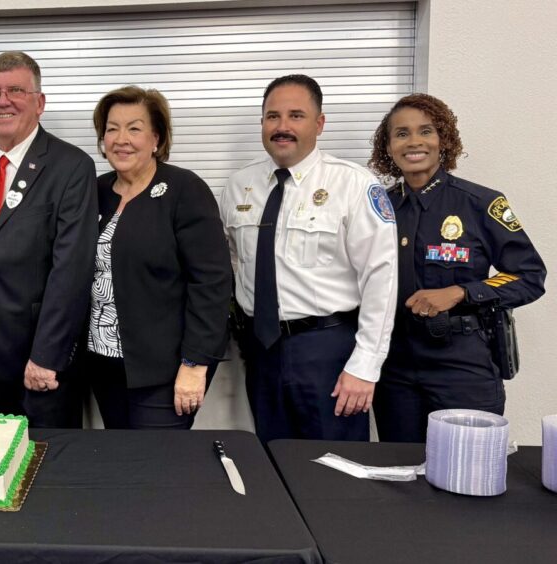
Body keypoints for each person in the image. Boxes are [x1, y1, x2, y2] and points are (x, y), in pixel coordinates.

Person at [219, 74, 398, 442]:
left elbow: (382, 277)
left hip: (327, 351)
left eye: (296, 116)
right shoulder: (240, 185)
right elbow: (236, 262)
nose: (282, 127)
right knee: (273, 459)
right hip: (262, 350)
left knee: (334, 470)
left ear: (319, 123)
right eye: (273, 116)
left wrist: (365, 366)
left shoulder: (353, 184)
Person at [368, 93, 546, 442]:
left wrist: (461, 292)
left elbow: (530, 276)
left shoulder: (480, 203)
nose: (414, 142)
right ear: (388, 147)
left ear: (443, 140)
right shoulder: (378, 208)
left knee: (466, 472)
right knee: (401, 474)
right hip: (395, 365)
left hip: (461, 362)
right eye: (401, 134)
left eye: (426, 131)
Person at [0, 51, 97, 428]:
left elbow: (72, 269)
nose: (2, 101)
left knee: (48, 467)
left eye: (15, 90)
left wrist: (47, 354)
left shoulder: (72, 166)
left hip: (39, 354)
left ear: (40, 102)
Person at [86, 86, 233, 429]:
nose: (121, 139)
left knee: (156, 470)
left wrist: (195, 364)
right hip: (104, 365)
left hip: (165, 371)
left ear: (156, 138)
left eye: (134, 128)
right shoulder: (94, 191)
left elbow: (212, 281)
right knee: (120, 461)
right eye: (111, 128)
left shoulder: (184, 190)